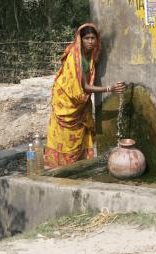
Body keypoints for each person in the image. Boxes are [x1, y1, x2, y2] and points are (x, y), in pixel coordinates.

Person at [44, 23, 125, 169]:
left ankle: (77, 164)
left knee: (80, 131)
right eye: (87, 38)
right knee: (64, 135)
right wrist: (109, 88)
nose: (90, 41)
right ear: (80, 39)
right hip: (66, 101)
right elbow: (84, 87)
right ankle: (60, 166)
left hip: (80, 101)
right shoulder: (75, 58)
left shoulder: (91, 54)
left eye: (93, 38)